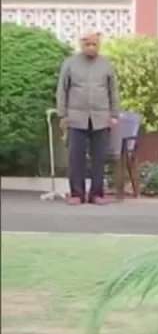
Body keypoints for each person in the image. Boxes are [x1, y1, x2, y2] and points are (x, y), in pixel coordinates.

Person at [56, 32, 120, 206]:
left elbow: (113, 91)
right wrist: (63, 115)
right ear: (81, 45)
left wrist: (114, 115)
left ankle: (96, 194)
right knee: (76, 157)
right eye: (87, 44)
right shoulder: (70, 63)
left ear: (99, 45)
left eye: (94, 44)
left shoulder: (106, 64)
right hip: (76, 118)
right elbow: (62, 90)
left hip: (101, 118)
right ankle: (77, 193)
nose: (91, 47)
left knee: (99, 157)